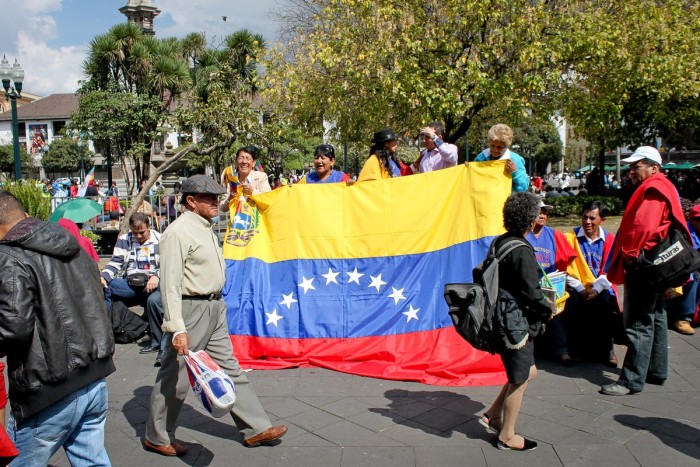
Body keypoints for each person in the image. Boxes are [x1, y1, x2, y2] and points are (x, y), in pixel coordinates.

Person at [144, 175, 287, 457]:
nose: (215, 202)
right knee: (177, 375)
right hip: (190, 308)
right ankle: (157, 435)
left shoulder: (205, 226)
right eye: (209, 198)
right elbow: (170, 284)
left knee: (230, 367)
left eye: (216, 197)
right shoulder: (177, 232)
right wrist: (176, 327)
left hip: (213, 306)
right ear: (191, 201)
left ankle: (255, 428)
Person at [0, 190, 115, 465]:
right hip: (93, 378)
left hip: (48, 389)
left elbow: (13, 327)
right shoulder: (72, 243)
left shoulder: (9, 256)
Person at [601, 146, 691, 396]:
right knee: (657, 315)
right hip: (656, 266)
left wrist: (630, 259)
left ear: (653, 166)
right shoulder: (664, 186)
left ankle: (630, 380)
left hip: (644, 266)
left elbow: (643, 228)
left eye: (635, 165)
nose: (631, 171)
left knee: (639, 322)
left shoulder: (653, 188)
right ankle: (656, 371)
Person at [479, 192, 552, 451]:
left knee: (526, 372)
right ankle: (507, 436)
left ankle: (493, 415)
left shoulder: (501, 242)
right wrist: (548, 309)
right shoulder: (521, 250)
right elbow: (532, 292)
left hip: (501, 318)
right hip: (516, 324)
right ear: (530, 221)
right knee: (520, 378)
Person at [556, 201, 620, 367]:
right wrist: (580, 288)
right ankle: (575, 350)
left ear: (602, 220)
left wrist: (596, 290)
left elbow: (610, 270)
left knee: (605, 303)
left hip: (600, 286)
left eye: (592, 218)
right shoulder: (569, 238)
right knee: (572, 303)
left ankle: (607, 349)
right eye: (585, 217)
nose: (587, 222)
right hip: (576, 285)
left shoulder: (610, 240)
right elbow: (564, 269)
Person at [100, 213, 164, 362]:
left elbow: (167, 263)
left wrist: (157, 275)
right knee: (105, 287)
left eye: (142, 232)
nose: (138, 236)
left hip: (153, 282)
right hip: (131, 283)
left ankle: (157, 339)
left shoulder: (160, 240)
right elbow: (115, 262)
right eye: (135, 233)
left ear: (149, 227)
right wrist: (104, 276)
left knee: (158, 297)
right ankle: (106, 329)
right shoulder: (124, 240)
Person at [525, 201, 576, 364]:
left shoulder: (554, 235)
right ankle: (526, 352)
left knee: (557, 313)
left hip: (551, 286)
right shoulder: (523, 235)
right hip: (529, 286)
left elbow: (568, 260)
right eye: (538, 211)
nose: (542, 215)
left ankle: (561, 351)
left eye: (545, 212)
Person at [665, 203, 700, 335]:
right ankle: (684, 318)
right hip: (678, 273)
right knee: (695, 276)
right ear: (693, 220)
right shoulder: (684, 232)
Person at [472, 124, 529, 192]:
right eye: (492, 145)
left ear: (506, 146)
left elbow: (523, 189)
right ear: (489, 142)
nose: (495, 150)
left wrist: (515, 172)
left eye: (499, 147)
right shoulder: (481, 158)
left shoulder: (516, 160)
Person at [220, 146, 272, 212]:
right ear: (236, 161)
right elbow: (222, 208)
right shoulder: (231, 179)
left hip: (256, 220)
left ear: (253, 163)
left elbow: (268, 201)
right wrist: (230, 198)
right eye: (241, 158)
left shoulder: (261, 177)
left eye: (248, 159)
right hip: (237, 220)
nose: (244, 162)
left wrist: (253, 192)